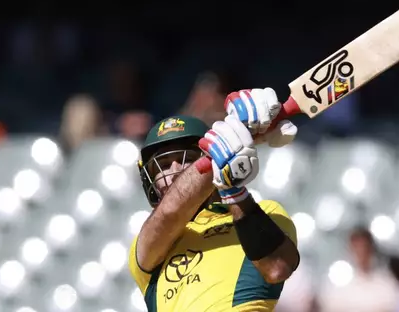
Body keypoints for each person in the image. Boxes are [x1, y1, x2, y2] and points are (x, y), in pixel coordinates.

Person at [128, 88, 300, 312]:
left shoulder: (267, 211)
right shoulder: (147, 244)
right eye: (164, 165)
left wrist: (232, 190)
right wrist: (223, 150)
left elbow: (277, 268)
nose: (175, 171)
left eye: (187, 159)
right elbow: (171, 211)